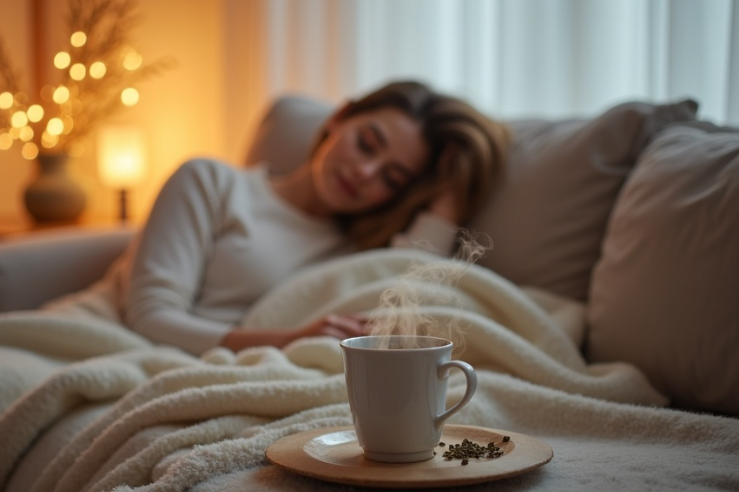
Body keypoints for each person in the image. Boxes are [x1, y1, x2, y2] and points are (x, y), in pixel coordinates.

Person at [118, 80, 510, 355]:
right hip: (145, 345)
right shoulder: (213, 182)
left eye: (392, 177)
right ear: (338, 118)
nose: (365, 172)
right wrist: (289, 340)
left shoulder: (358, 251)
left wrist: (455, 181)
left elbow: (417, 278)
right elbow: (152, 317)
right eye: (366, 144)